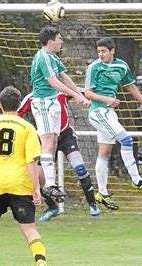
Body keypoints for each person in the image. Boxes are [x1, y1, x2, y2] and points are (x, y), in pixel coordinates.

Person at [0, 86, 46, 266]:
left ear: (0, 105)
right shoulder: (27, 127)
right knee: (29, 229)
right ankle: (41, 261)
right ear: (20, 104)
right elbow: (32, 161)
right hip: (20, 185)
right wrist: (36, 187)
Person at [84, 37, 142, 210]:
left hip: (109, 114)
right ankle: (137, 180)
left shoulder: (122, 66)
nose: (100, 54)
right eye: (98, 51)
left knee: (104, 153)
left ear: (112, 51)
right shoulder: (94, 67)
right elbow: (88, 93)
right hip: (98, 112)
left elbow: (131, 86)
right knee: (127, 140)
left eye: (103, 51)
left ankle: (102, 193)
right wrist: (106, 99)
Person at [18, 92, 101, 221]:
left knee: (79, 168)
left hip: (66, 136)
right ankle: (52, 208)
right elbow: (17, 114)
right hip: (46, 138)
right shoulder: (32, 98)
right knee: (38, 177)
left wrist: (89, 98)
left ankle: (92, 204)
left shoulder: (61, 91)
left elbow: (84, 92)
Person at [30, 26, 90, 203]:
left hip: (53, 103)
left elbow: (65, 77)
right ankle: (49, 185)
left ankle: (51, 185)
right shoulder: (42, 57)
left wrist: (80, 93)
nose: (61, 41)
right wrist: (78, 97)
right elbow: (54, 82)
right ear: (51, 41)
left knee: (53, 142)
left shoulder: (53, 58)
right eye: (59, 38)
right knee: (48, 141)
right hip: (44, 103)